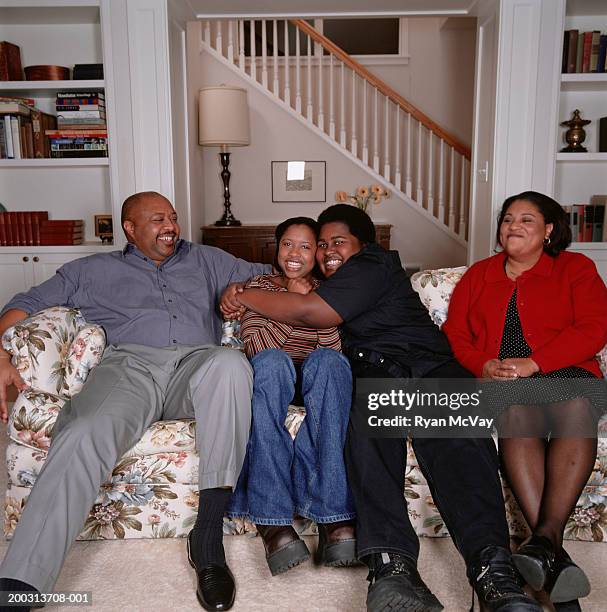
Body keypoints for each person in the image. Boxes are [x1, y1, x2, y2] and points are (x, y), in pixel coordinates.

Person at [220, 204, 542, 612]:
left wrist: (242, 294)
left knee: (459, 444)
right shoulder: (323, 283)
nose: (326, 251)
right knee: (367, 443)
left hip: (428, 367)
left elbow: (311, 312)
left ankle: (494, 573)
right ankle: (393, 567)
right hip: (375, 375)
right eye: (321, 245)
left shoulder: (375, 264)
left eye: (338, 241)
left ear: (364, 244)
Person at [0, 191, 271, 612]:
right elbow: (24, 304)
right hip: (129, 368)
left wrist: (248, 289)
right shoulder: (90, 270)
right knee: (84, 429)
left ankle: (208, 539)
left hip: (197, 365)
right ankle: (22, 578)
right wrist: (0, 354)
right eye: (158, 219)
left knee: (231, 364)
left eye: (174, 218)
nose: (171, 227)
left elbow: (276, 274)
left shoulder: (209, 259)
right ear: (130, 228)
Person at [443, 191, 607, 607]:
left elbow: (593, 328)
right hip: (505, 383)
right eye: (508, 219)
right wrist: (482, 365)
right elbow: (455, 334)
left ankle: (544, 542)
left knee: (574, 405)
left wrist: (536, 363)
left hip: (566, 373)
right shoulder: (479, 275)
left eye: (526, 220)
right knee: (515, 409)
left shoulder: (575, 268)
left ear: (549, 230)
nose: (513, 226)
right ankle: (553, 555)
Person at [226, 216, 356, 576]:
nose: (294, 253)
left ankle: (334, 517)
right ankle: (272, 520)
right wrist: (297, 305)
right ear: (277, 248)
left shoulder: (330, 289)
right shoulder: (258, 286)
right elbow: (259, 344)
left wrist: (309, 303)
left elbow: (333, 345)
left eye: (305, 246)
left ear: (317, 253)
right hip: (273, 376)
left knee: (329, 363)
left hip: (317, 378)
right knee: (271, 362)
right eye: (287, 244)